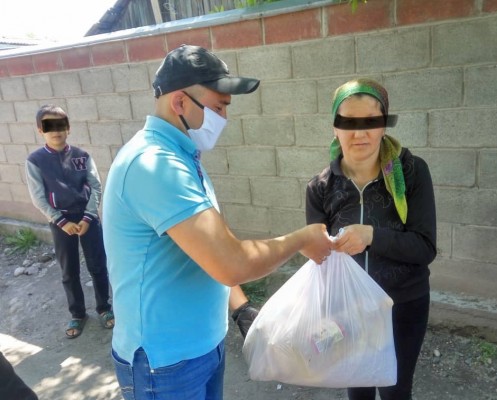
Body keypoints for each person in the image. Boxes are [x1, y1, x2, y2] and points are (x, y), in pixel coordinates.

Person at [101, 44, 332, 400]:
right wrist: (302, 239)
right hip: (165, 364)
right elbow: (232, 262)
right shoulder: (154, 164)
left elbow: (207, 251)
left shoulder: (182, 157)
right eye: (219, 107)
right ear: (180, 102)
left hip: (202, 346)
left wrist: (240, 308)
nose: (224, 118)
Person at [305, 79, 437, 400]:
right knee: (358, 388)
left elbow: (424, 247)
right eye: (349, 122)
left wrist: (372, 236)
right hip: (348, 309)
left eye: (371, 122)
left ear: (384, 126)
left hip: (402, 304)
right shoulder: (321, 187)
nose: (360, 133)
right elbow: (319, 261)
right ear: (335, 128)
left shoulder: (411, 172)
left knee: (395, 390)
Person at [25, 105, 114, 339]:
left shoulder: (82, 156)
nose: (56, 131)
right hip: (60, 222)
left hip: (88, 219)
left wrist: (88, 216)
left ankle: (104, 307)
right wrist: (60, 220)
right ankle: (78, 313)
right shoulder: (35, 161)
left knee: (98, 265)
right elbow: (38, 197)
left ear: (68, 128)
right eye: (49, 126)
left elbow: (96, 186)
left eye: (60, 125)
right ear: (40, 130)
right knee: (69, 270)